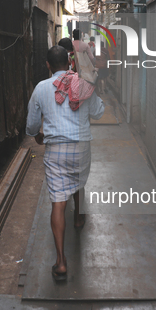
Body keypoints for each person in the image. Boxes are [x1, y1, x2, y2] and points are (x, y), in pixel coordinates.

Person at [26, 46, 104, 281]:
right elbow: (99, 112)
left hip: (56, 151)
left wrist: (40, 136)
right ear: (69, 63)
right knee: (78, 180)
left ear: (48, 65)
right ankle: (79, 217)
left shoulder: (40, 88)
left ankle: (60, 262)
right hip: (82, 148)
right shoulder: (82, 84)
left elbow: (31, 127)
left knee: (58, 203)